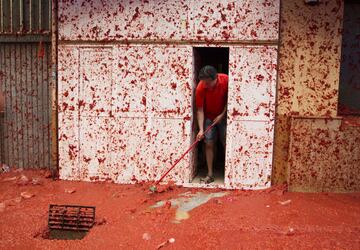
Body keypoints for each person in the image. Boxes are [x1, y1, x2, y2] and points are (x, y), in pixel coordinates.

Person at [195, 65, 228, 184]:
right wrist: (201, 129)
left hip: (223, 115)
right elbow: (200, 110)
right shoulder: (200, 87)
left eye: (208, 83)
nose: (206, 86)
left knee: (226, 142)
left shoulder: (226, 80)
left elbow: (230, 99)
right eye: (204, 83)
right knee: (208, 143)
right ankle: (210, 174)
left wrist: (222, 115)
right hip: (209, 117)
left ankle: (229, 173)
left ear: (216, 78)